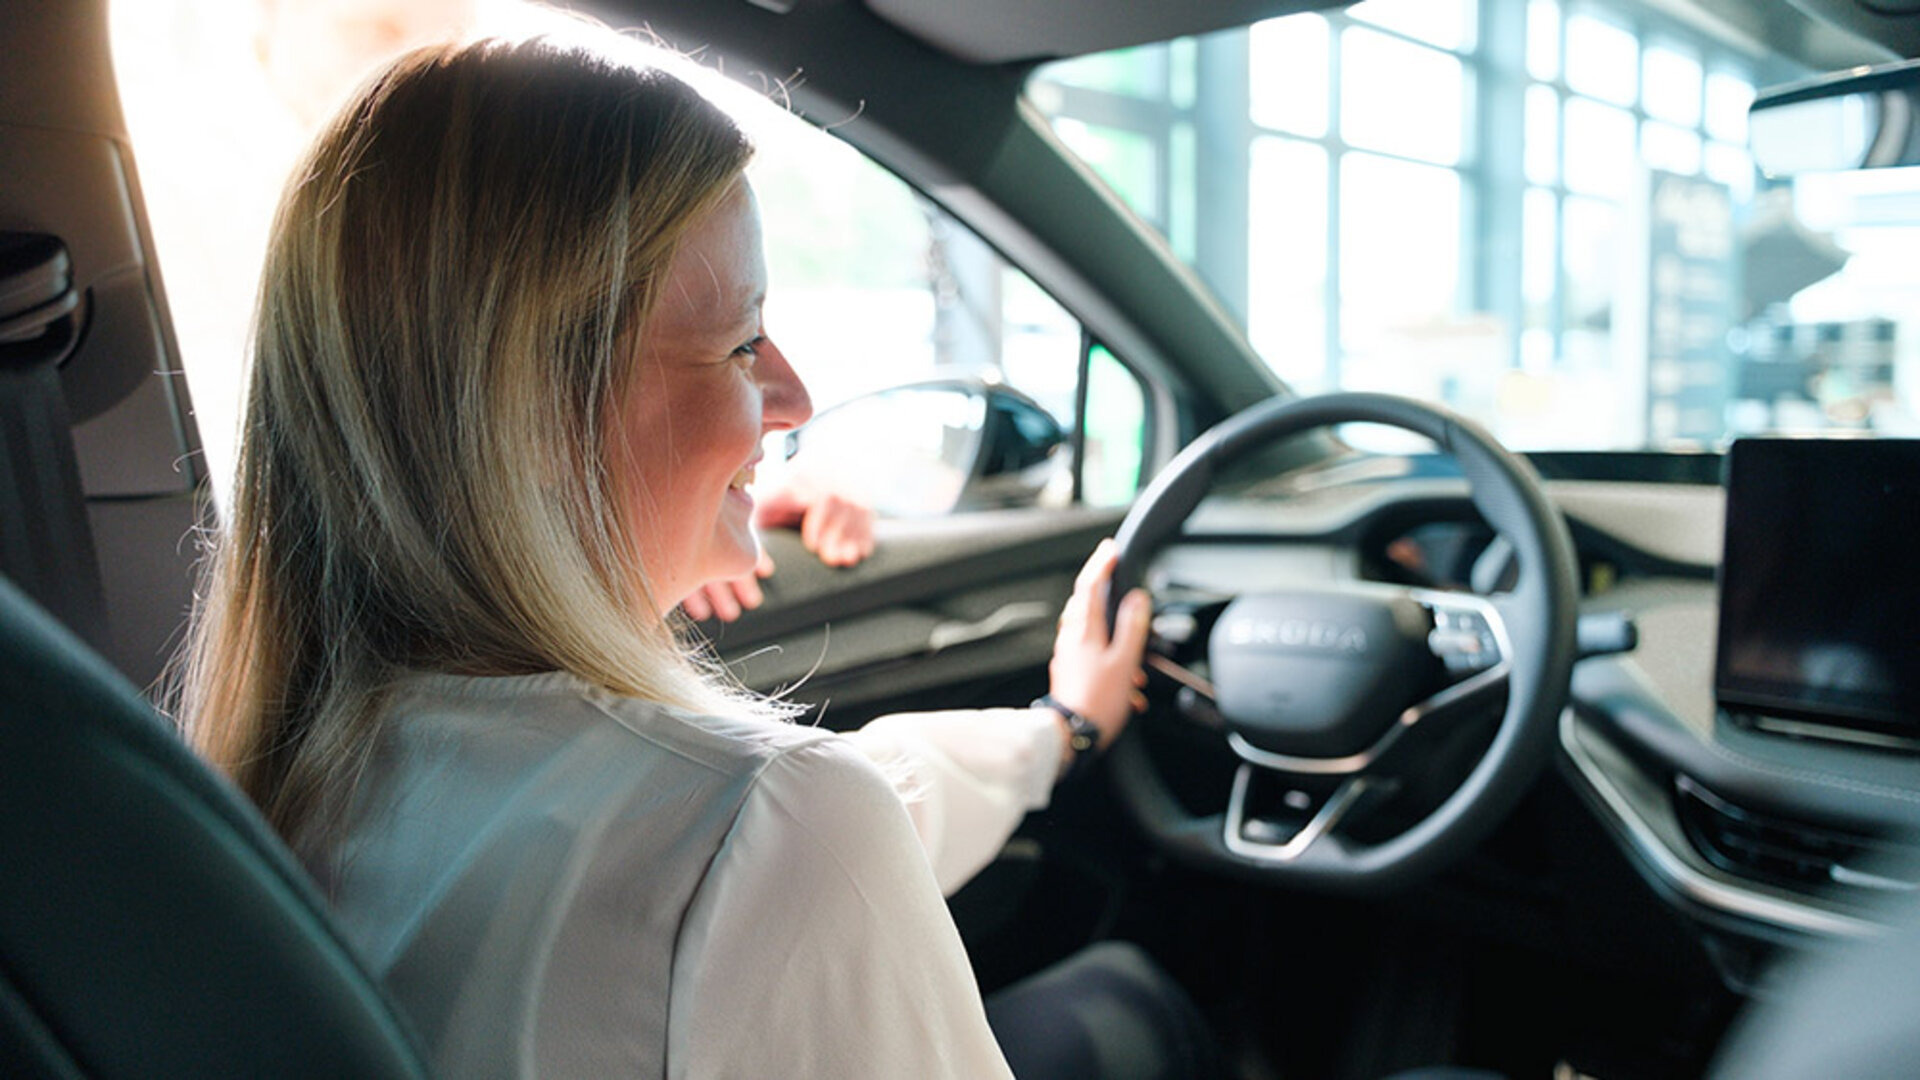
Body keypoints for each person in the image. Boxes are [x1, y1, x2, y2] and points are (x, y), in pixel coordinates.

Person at [179, 37, 1214, 1078]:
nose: (795, 400)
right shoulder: (760, 825)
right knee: (1133, 1007)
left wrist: (1060, 730)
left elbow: (813, 831)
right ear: (532, 415)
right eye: (741, 344)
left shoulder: (277, 790)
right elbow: (784, 841)